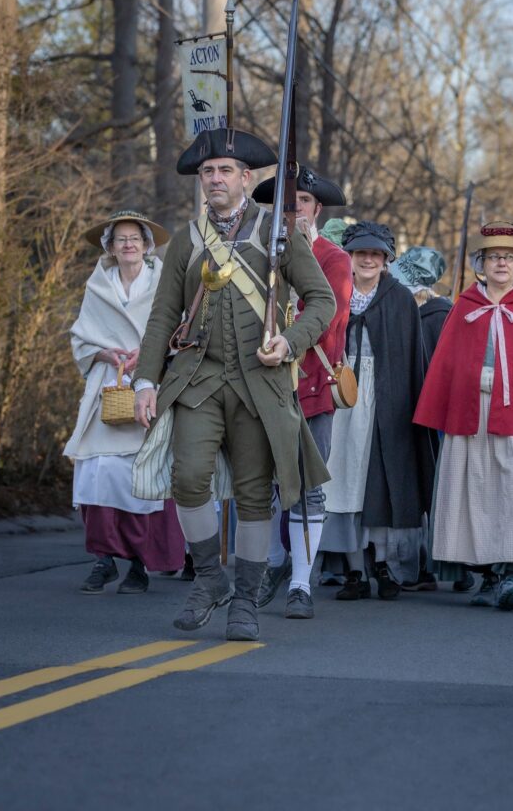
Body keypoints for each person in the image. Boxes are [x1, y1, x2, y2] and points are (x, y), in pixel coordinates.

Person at [132, 128, 336, 642]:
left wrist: (289, 343)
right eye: (207, 172)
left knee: (252, 497)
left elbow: (323, 301)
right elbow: (162, 319)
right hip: (197, 379)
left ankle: (244, 600)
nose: (215, 179)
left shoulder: (278, 234)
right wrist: (144, 382)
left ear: (246, 178)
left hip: (258, 384)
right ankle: (208, 581)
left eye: (224, 170)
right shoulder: (187, 239)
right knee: (188, 477)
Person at [414, 221, 513, 611]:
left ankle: (510, 574)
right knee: (474, 490)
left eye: (509, 257)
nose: (502, 264)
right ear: (480, 264)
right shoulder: (465, 307)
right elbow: (446, 364)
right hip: (471, 412)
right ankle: (485, 575)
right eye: (494, 257)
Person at [64, 210, 185, 593]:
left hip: (149, 384)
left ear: (147, 245)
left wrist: (146, 354)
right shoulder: (97, 286)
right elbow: (81, 338)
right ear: (111, 247)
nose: (129, 244)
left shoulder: (162, 281)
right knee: (96, 472)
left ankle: (137, 562)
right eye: (121, 239)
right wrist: (105, 354)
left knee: (140, 474)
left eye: (135, 238)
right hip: (108, 388)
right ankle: (103, 559)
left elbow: (180, 329)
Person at [251, 166, 352, 619]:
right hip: (261, 384)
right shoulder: (256, 252)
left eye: (303, 203)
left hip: (312, 385)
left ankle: (300, 583)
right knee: (262, 482)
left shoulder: (333, 258)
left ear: (317, 210)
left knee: (309, 488)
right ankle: (271, 565)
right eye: (287, 204)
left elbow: (330, 322)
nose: (294, 211)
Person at [319, 221, 435, 601]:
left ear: (386, 259)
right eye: (361, 253)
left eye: (375, 254)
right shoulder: (336, 293)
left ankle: (382, 565)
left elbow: (410, 358)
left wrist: (407, 406)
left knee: (381, 480)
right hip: (341, 394)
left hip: (387, 401)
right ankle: (354, 570)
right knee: (342, 478)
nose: (368, 260)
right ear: (350, 257)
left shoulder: (399, 299)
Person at [390, 244, 452, 591]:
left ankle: (447, 563)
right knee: (417, 487)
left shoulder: (441, 315)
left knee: (436, 488)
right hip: (407, 411)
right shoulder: (412, 311)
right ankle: (421, 564)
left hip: (434, 415)